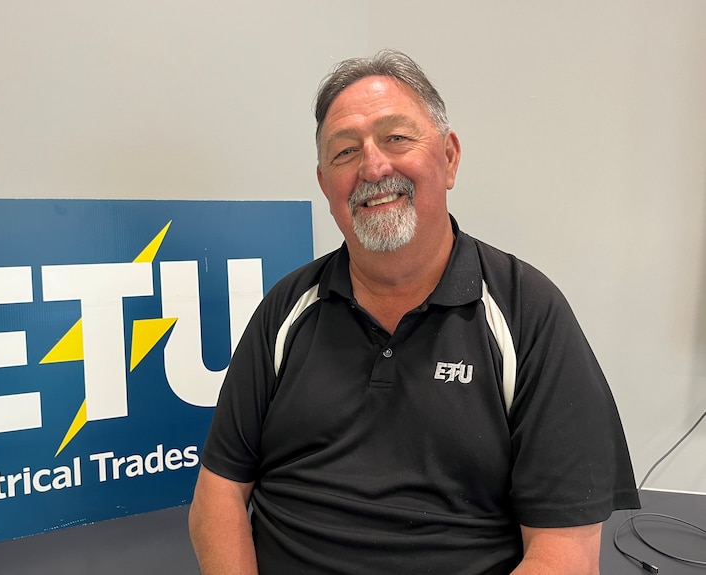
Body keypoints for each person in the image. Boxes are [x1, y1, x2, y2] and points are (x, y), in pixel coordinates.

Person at [188, 49, 640, 575]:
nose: (373, 166)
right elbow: (217, 496)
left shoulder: (528, 314)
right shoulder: (286, 311)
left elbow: (566, 553)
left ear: (448, 158)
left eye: (396, 138)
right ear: (324, 185)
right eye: (344, 152)